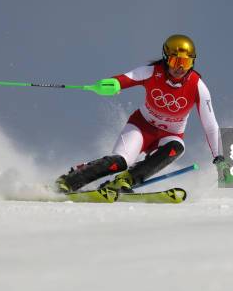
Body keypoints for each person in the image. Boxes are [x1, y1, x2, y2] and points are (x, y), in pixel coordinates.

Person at [55, 34, 224, 193]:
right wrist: (112, 84)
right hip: (141, 127)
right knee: (120, 162)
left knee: (177, 147)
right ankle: (68, 181)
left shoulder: (198, 87)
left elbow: (210, 125)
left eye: (186, 63)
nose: (180, 68)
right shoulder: (151, 72)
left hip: (169, 135)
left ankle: (125, 180)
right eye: (175, 61)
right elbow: (126, 79)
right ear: (166, 59)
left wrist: (219, 157)